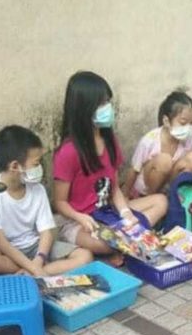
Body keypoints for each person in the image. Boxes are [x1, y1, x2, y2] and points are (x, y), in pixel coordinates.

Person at [53, 71, 167, 258]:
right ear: (84, 108)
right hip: (78, 220)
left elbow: (113, 188)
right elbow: (60, 202)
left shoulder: (109, 140)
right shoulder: (68, 152)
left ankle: (129, 237)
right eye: (102, 103)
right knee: (106, 244)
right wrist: (81, 217)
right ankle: (125, 240)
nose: (108, 108)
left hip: (108, 211)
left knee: (161, 201)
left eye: (108, 102)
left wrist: (125, 213)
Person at [0, 125, 92, 276]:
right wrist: (33, 267)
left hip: (34, 248)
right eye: (36, 164)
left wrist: (39, 260)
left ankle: (29, 275)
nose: (40, 167)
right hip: (4, 252)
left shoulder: (38, 190)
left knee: (85, 256)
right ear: (15, 166)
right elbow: (0, 242)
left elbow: (46, 232)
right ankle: (37, 273)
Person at [123, 91, 192, 198]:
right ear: (166, 121)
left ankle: (173, 194)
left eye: (191, 123)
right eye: (183, 123)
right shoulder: (149, 140)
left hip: (169, 184)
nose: (188, 128)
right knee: (164, 160)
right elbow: (134, 169)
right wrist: (125, 195)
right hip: (147, 187)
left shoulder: (191, 139)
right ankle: (150, 198)